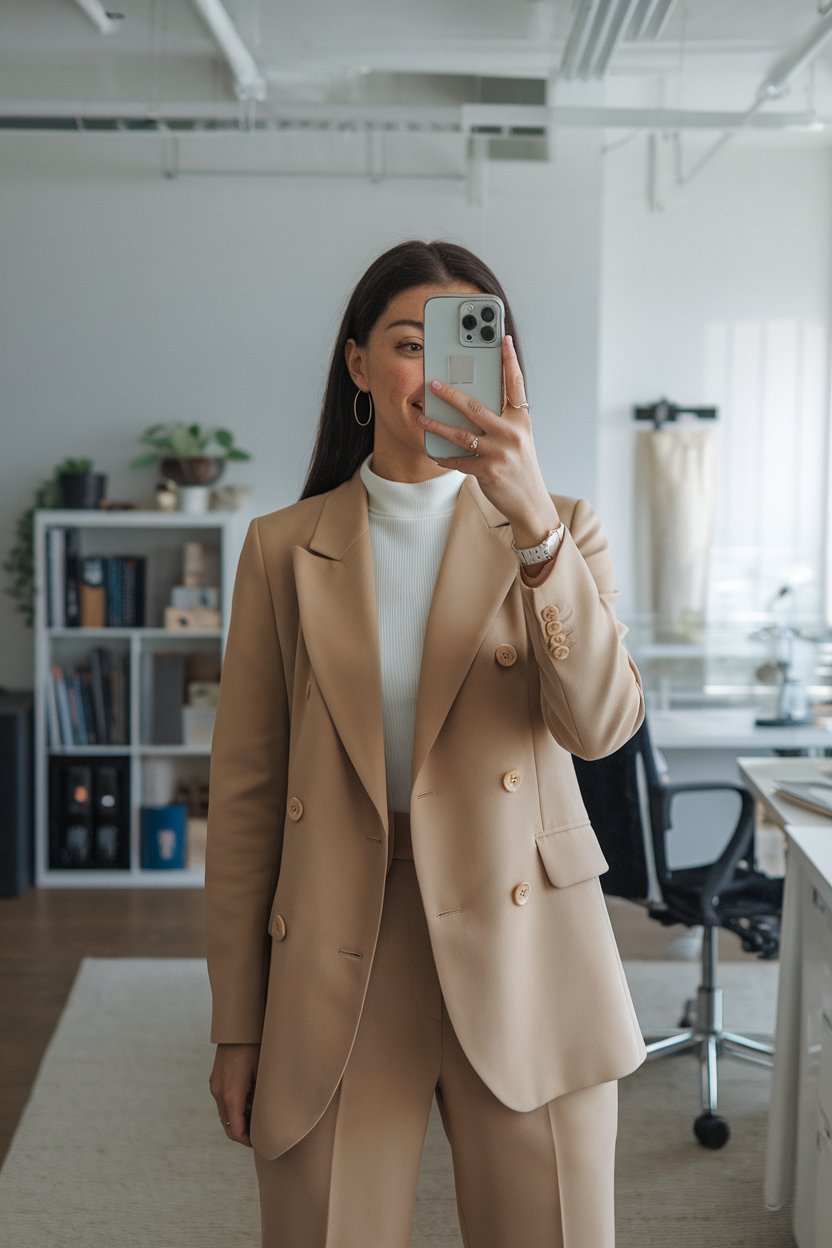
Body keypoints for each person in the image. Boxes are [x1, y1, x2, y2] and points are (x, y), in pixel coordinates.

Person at [206, 239, 646, 1248]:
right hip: (341, 942)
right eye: (410, 343)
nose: (438, 372)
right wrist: (236, 1023)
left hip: (528, 944)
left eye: (465, 344)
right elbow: (245, 798)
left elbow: (600, 728)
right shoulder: (282, 548)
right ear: (358, 365)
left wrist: (531, 524)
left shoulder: (561, 527)